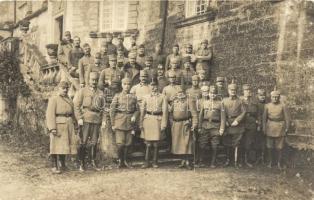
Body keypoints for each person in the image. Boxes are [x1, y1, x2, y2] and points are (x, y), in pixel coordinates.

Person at [73, 72, 105, 171]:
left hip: (96, 119)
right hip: (85, 119)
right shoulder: (82, 91)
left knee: (94, 142)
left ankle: (93, 162)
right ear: (89, 80)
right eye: (92, 80)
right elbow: (76, 106)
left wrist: (103, 120)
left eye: (96, 80)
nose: (94, 82)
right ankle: (81, 163)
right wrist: (79, 118)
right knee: (83, 142)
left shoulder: (100, 93)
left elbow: (104, 108)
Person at [46, 81, 78, 174]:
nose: (65, 90)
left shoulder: (69, 99)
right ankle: (54, 165)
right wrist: (52, 128)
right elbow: (49, 114)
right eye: (63, 88)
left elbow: (72, 113)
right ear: (58, 89)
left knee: (64, 145)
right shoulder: (54, 99)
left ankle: (63, 165)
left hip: (68, 124)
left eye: (67, 88)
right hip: (58, 125)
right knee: (55, 146)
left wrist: (75, 124)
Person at [110, 78, 139, 168]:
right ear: (122, 85)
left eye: (128, 84)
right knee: (120, 143)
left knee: (128, 143)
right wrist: (113, 124)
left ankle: (126, 161)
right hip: (119, 122)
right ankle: (120, 160)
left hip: (130, 122)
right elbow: (112, 110)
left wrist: (134, 115)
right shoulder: (117, 96)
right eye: (125, 84)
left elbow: (137, 110)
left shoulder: (133, 97)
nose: (127, 86)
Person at [140, 78, 168, 168]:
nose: (153, 87)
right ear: (149, 86)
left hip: (157, 120)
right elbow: (142, 111)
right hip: (148, 120)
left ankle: (155, 162)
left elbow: (165, 111)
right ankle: (146, 161)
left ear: (157, 86)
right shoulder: (145, 97)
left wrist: (164, 124)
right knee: (148, 143)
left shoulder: (162, 97)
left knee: (156, 143)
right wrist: (140, 123)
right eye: (151, 85)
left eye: (155, 85)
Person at [170, 87, 198, 170]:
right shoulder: (174, 101)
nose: (180, 94)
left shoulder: (189, 101)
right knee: (179, 144)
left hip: (185, 124)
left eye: (181, 92)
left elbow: (194, 114)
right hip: (176, 125)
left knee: (187, 143)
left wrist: (194, 124)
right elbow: (170, 113)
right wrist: (172, 123)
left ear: (184, 93)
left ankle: (188, 162)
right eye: (178, 93)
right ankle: (182, 161)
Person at [198, 85, 225, 168]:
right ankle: (201, 161)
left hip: (215, 126)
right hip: (205, 125)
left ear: (217, 94)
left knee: (215, 145)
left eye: (214, 93)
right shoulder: (204, 103)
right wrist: (199, 127)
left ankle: (213, 162)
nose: (212, 95)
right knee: (202, 143)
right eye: (211, 93)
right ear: (208, 94)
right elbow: (201, 116)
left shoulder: (221, 104)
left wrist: (222, 128)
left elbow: (223, 117)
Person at [263, 89, 290, 169]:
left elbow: (287, 118)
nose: (275, 98)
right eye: (273, 97)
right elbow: (264, 118)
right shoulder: (267, 106)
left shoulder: (283, 106)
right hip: (270, 127)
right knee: (269, 146)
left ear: (279, 98)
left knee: (280, 147)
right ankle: (271, 162)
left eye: (276, 97)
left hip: (280, 127)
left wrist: (287, 127)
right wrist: (264, 128)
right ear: (271, 97)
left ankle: (279, 162)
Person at [222, 81, 246, 167]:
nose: (233, 91)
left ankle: (237, 161)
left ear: (237, 91)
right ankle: (228, 160)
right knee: (227, 142)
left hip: (237, 125)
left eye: (234, 90)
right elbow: (222, 112)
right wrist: (225, 121)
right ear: (228, 90)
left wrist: (238, 120)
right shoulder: (224, 101)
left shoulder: (240, 101)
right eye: (231, 90)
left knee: (237, 143)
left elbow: (244, 112)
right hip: (228, 124)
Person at [240, 84, 258, 168]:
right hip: (241, 123)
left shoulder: (254, 101)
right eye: (246, 90)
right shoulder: (240, 100)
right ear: (243, 91)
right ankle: (240, 160)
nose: (248, 92)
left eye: (249, 91)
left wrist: (258, 123)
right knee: (240, 142)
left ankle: (247, 160)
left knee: (249, 143)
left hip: (251, 124)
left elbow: (258, 113)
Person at [255, 88, 267, 164]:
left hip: (265, 126)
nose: (262, 97)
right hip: (257, 126)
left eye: (264, 95)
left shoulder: (267, 105)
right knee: (257, 142)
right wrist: (258, 124)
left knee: (264, 142)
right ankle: (257, 158)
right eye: (260, 95)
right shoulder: (256, 105)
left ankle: (263, 158)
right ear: (257, 96)